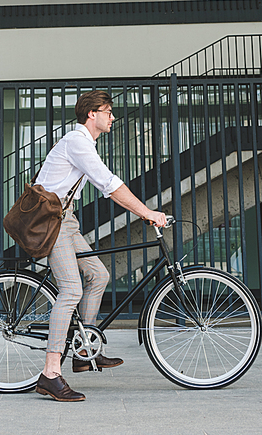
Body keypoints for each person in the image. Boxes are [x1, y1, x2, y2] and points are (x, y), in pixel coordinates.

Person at [35, 90, 167, 402]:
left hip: (65, 221)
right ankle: (50, 373)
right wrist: (146, 212)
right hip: (50, 223)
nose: (112, 117)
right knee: (70, 290)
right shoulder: (77, 141)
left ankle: (83, 351)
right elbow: (110, 184)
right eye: (108, 111)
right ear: (91, 114)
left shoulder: (84, 143)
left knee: (99, 275)